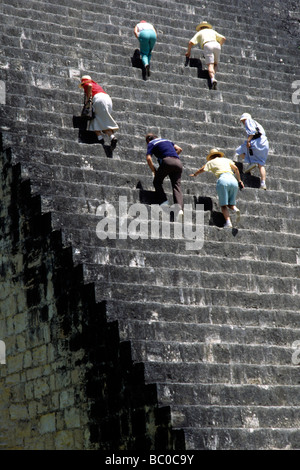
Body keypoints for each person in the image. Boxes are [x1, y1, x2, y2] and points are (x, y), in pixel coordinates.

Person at [190, 148, 244, 228]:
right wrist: (239, 180)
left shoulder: (211, 162)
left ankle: (228, 222)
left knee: (223, 205)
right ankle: (235, 209)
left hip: (223, 180)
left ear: (211, 157)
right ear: (219, 155)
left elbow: (202, 169)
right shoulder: (227, 160)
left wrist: (195, 174)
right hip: (233, 180)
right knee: (231, 203)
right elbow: (236, 169)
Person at [145, 133, 183, 214]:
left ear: (148, 140)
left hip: (167, 162)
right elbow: (179, 149)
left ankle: (164, 203)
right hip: (178, 162)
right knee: (176, 186)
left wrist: (154, 170)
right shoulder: (167, 140)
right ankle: (179, 210)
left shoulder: (152, 143)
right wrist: (173, 156)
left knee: (157, 182)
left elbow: (148, 158)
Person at [79, 75, 118, 149]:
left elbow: (89, 85)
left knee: (96, 120)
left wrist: (87, 100)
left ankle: (102, 138)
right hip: (108, 99)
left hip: (99, 100)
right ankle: (109, 138)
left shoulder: (87, 84)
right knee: (99, 119)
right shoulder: (96, 85)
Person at [185, 21, 226, 90]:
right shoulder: (212, 31)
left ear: (200, 28)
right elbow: (223, 38)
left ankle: (212, 79)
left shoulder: (200, 32)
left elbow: (190, 42)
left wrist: (188, 52)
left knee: (210, 64)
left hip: (207, 45)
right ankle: (213, 76)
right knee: (215, 64)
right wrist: (219, 45)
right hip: (216, 44)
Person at [236, 113, 269, 190]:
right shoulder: (257, 124)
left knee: (239, 150)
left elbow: (252, 132)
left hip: (255, 141)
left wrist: (248, 141)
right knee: (261, 164)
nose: (243, 122)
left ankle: (252, 162)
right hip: (264, 143)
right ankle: (263, 183)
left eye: (243, 120)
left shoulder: (249, 121)